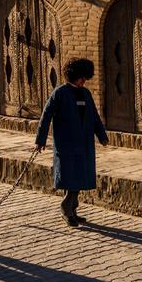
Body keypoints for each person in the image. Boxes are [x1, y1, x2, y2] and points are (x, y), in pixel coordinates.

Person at [34, 57, 108, 227]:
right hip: (66, 144)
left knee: (80, 177)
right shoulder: (59, 93)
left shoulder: (86, 94)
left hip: (84, 143)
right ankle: (66, 208)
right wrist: (40, 140)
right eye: (82, 78)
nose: (84, 81)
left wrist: (101, 135)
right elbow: (46, 117)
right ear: (74, 76)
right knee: (70, 177)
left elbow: (94, 116)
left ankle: (72, 210)